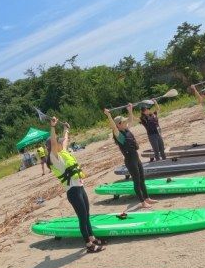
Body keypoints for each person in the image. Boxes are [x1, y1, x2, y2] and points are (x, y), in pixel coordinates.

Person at [45, 116, 105, 253]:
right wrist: (53, 127)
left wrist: (66, 129)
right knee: (82, 218)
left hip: (80, 188)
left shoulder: (63, 152)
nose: (61, 143)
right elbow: (54, 143)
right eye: (58, 143)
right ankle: (89, 245)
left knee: (87, 215)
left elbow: (64, 141)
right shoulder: (55, 158)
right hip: (73, 191)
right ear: (53, 147)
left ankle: (92, 238)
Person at [104, 104, 157, 212]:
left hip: (136, 157)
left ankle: (147, 198)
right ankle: (142, 202)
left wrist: (130, 110)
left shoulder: (126, 129)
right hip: (129, 160)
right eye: (123, 122)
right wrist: (108, 115)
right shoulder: (118, 134)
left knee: (142, 179)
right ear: (119, 124)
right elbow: (113, 126)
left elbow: (131, 119)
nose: (126, 122)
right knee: (137, 181)